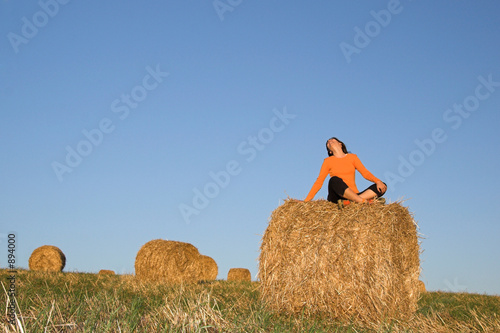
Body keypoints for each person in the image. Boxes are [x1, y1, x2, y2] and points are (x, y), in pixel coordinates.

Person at [303, 137, 387, 205]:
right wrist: (306, 201)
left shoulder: (352, 157)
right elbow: (319, 182)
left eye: (332, 140)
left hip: (354, 194)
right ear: (330, 151)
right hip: (337, 197)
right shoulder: (328, 161)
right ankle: (363, 201)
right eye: (328, 143)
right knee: (334, 180)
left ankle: (351, 202)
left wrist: (378, 181)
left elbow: (365, 173)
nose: (329, 141)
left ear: (340, 144)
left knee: (383, 186)